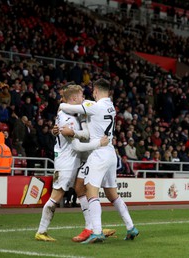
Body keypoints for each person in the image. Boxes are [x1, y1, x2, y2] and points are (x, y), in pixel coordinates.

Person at [59, 78, 139, 244]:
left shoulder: (95, 107)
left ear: (95, 91)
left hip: (99, 154)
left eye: (93, 92)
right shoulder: (111, 107)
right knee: (112, 194)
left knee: (91, 190)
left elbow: (68, 107)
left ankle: (96, 231)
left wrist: (61, 104)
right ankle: (131, 227)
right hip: (110, 152)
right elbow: (89, 109)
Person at [35, 85, 107, 242]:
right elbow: (77, 143)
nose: (83, 99)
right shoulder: (69, 119)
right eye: (81, 97)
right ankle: (41, 231)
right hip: (66, 161)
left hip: (73, 158)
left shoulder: (66, 112)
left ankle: (93, 227)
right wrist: (98, 143)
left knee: (81, 189)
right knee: (57, 195)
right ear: (74, 99)